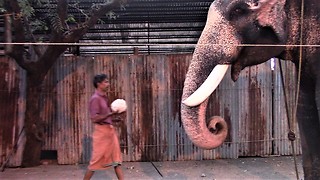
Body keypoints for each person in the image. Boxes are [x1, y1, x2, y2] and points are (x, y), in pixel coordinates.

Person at [83, 74, 124, 180]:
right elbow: (94, 118)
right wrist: (110, 114)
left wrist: (114, 119)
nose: (108, 84)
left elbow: (104, 118)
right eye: (105, 82)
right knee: (94, 164)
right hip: (101, 134)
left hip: (110, 132)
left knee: (117, 161)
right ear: (98, 84)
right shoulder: (95, 99)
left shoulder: (104, 98)